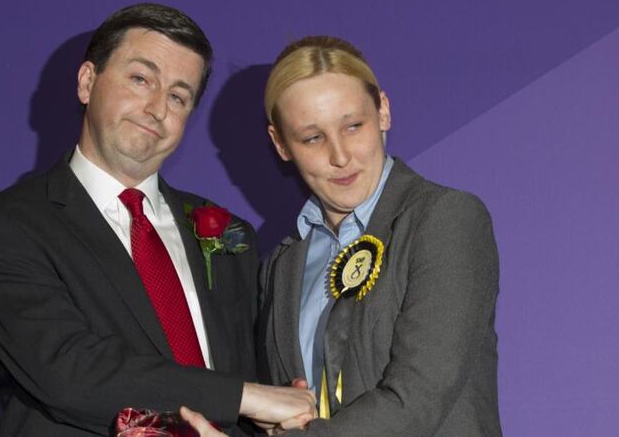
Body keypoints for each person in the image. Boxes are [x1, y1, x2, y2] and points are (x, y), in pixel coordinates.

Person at [0, 3, 315, 436]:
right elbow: (71, 374)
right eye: (141, 79)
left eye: (178, 96)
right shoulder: (3, 227)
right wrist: (249, 396)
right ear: (88, 82)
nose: (157, 107)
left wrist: (273, 423)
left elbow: (246, 368)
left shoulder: (228, 233)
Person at [183, 36, 501, 436]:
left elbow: (415, 400)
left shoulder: (445, 219)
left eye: (353, 126)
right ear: (281, 144)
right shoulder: (281, 265)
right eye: (312, 138)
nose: (339, 155)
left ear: (383, 111)